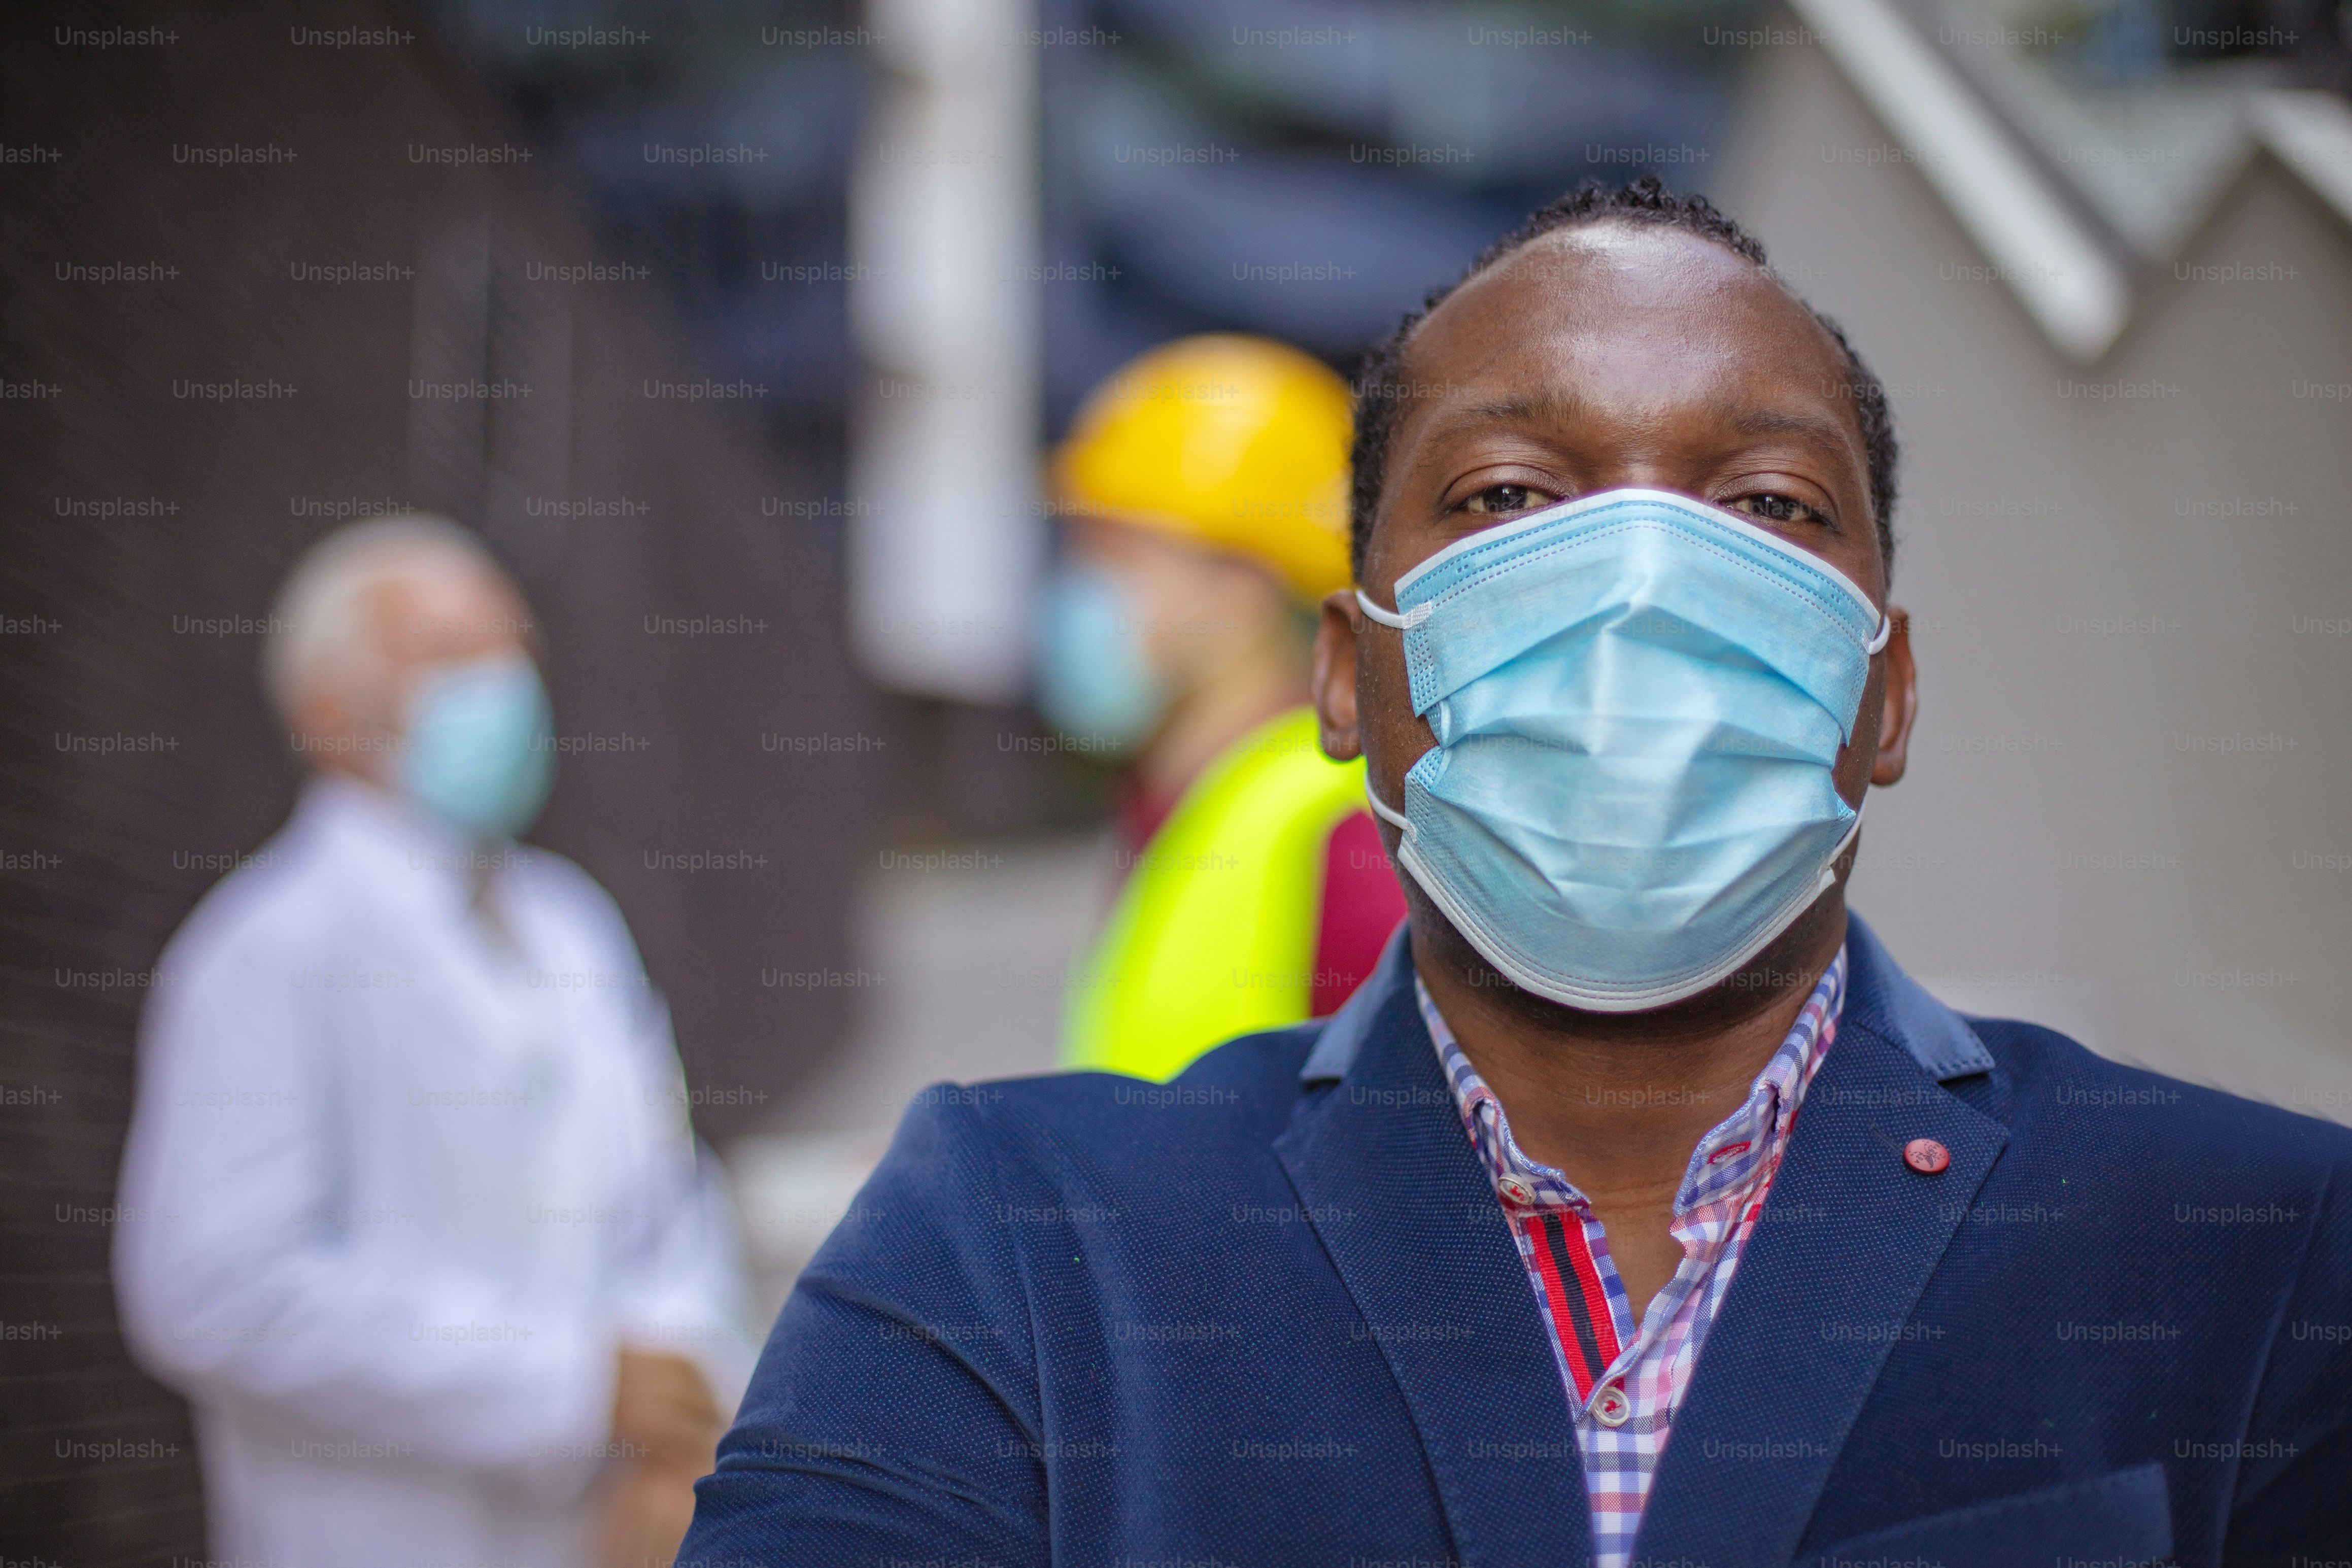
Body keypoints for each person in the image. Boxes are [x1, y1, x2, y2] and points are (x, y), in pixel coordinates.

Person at [680, 180, 2352, 1564]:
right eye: (1502, 494)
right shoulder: (1005, 1249)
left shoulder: (2269, 1257)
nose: (1636, 579)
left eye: (1767, 504)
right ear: (1350, 670)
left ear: (1884, 689)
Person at [114, 516, 753, 1568]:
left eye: (515, 649)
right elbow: (213, 1289)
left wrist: (677, 1434)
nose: (503, 685)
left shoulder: (572, 919)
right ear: (328, 710)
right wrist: (574, 1385)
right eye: (451, 656)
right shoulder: (263, 948)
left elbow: (670, 1201)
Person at [1035, 334, 1406, 1079]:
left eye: (1121, 557)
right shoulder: (1177, 803)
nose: (1082, 588)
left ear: (1244, 589)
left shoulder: (1345, 839)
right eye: (1080, 550)